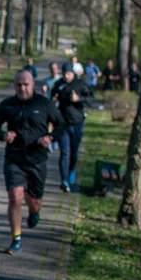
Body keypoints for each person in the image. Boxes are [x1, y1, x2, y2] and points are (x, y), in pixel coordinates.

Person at [0, 70, 64, 255]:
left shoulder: (44, 104)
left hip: (37, 159)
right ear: (14, 85)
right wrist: (3, 135)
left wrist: (50, 137)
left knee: (34, 201)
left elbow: (61, 125)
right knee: (15, 198)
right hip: (14, 158)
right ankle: (16, 239)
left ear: (33, 84)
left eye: (26, 84)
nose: (22, 88)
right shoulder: (7, 105)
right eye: (18, 85)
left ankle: (34, 212)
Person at [53, 63, 90, 192]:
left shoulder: (80, 84)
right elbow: (52, 98)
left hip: (77, 123)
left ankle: (71, 171)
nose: (66, 76)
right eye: (64, 74)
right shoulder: (59, 84)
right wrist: (53, 99)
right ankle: (64, 180)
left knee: (74, 152)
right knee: (64, 152)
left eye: (68, 74)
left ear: (73, 73)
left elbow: (90, 99)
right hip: (63, 124)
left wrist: (78, 99)